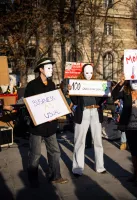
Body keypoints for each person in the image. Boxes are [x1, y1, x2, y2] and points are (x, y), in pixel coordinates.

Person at [24, 57, 68, 188]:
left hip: (50, 126)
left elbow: (54, 103)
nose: (52, 70)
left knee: (55, 151)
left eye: (52, 68)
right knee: (35, 154)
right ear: (41, 70)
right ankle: (33, 180)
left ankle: (55, 176)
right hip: (37, 127)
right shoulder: (32, 86)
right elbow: (29, 106)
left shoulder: (52, 85)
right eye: (49, 68)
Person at [68, 64, 107, 177]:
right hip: (83, 112)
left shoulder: (96, 84)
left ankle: (100, 166)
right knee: (79, 140)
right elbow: (75, 101)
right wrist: (71, 92)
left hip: (95, 112)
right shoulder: (78, 84)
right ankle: (77, 168)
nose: (89, 75)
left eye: (91, 73)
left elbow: (101, 99)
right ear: (82, 73)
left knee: (98, 141)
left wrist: (106, 90)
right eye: (86, 72)